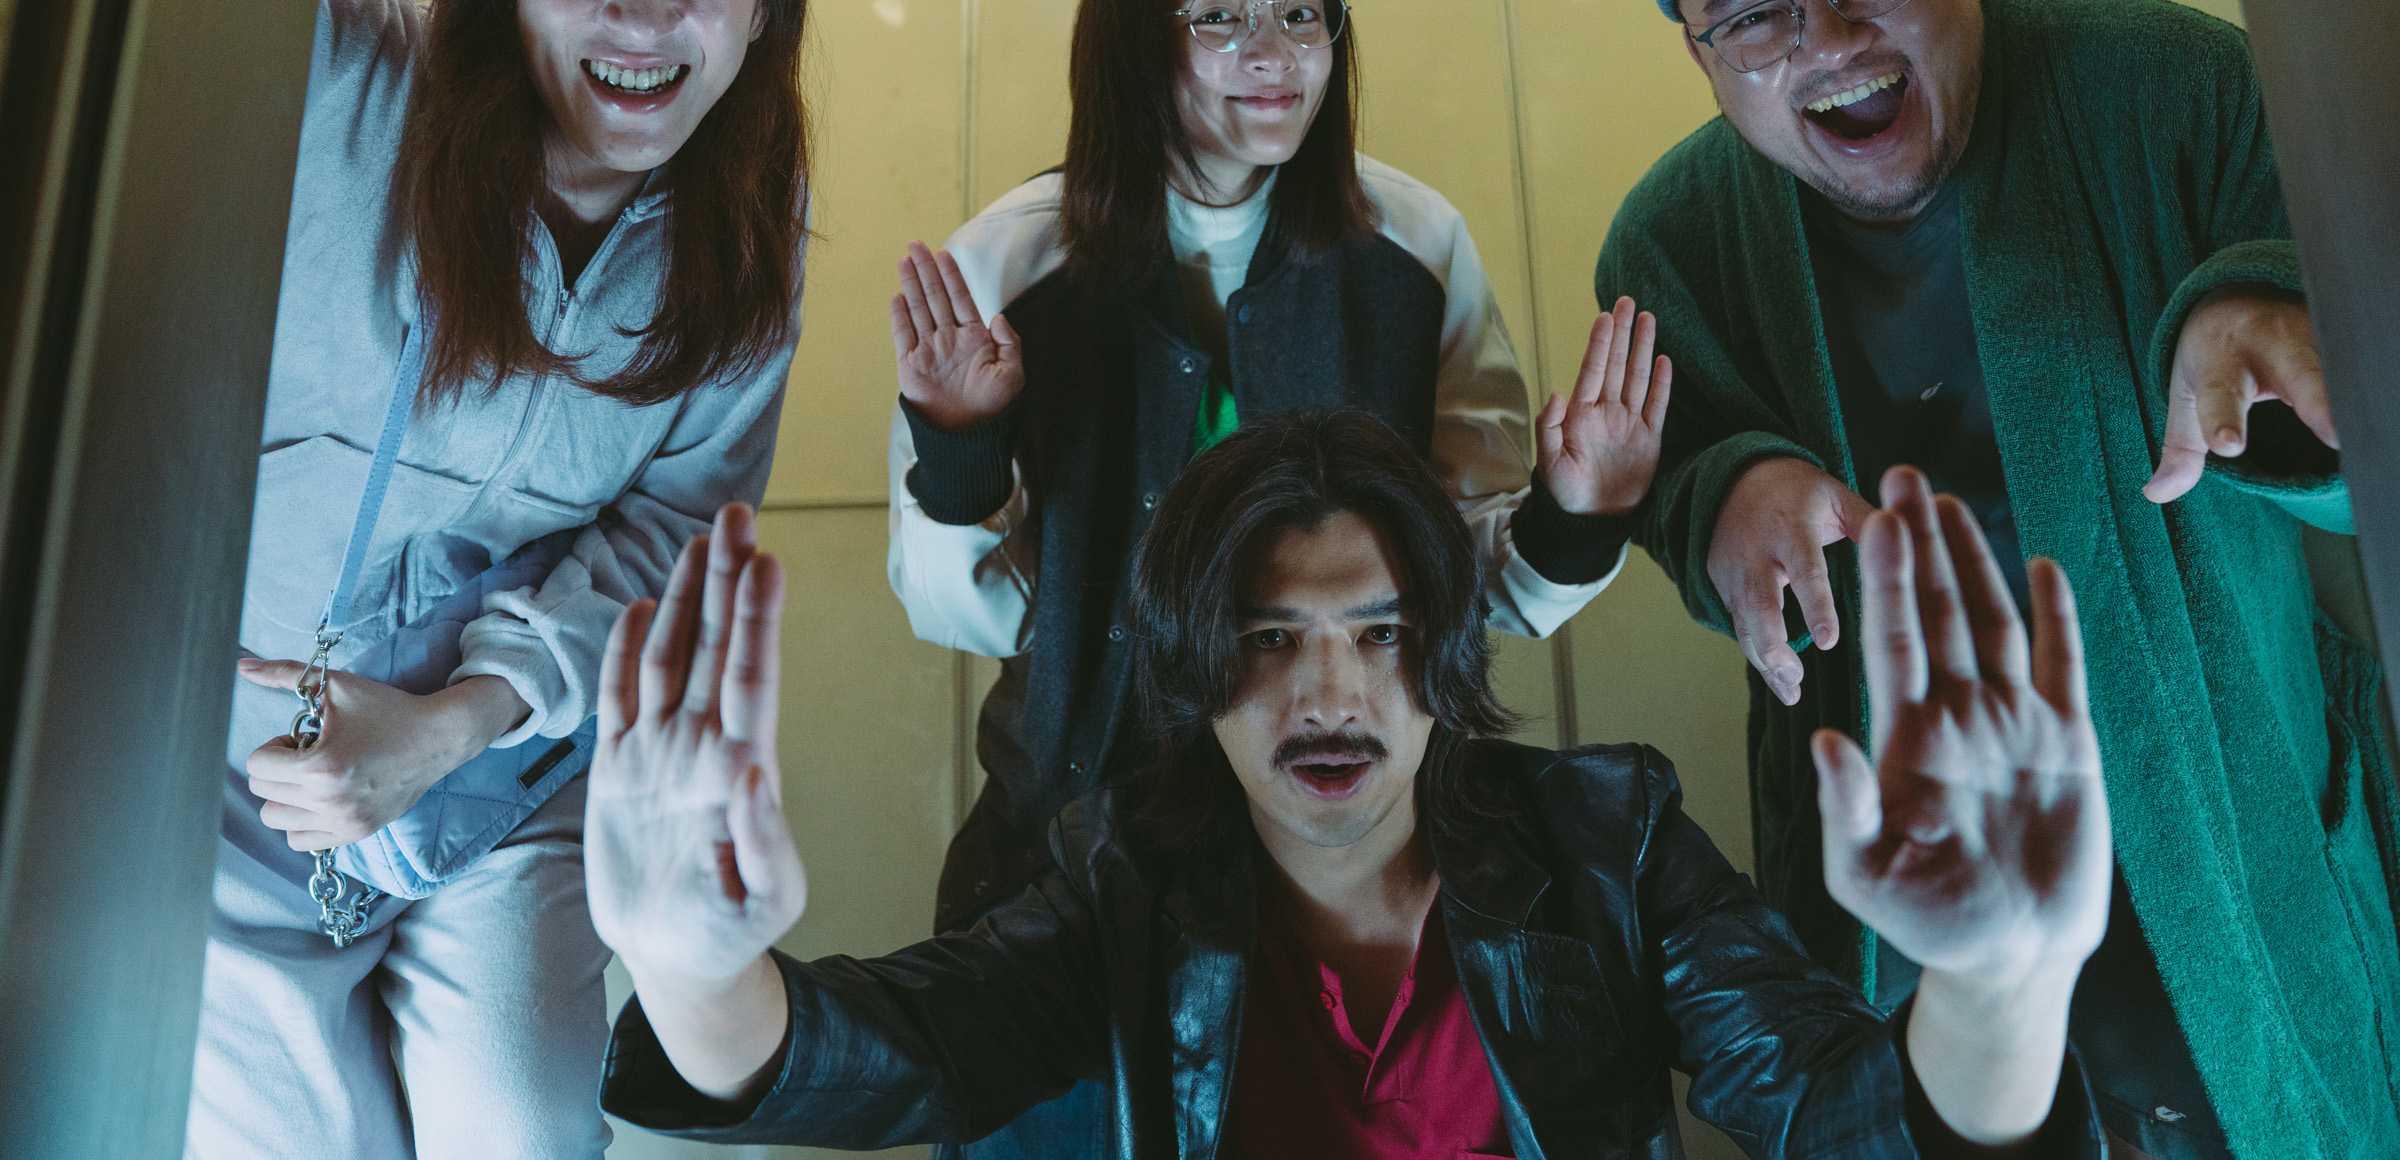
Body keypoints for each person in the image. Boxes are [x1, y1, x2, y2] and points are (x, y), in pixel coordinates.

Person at [585, 409, 2113, 1156]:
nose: (1330, 692)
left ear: (1446, 649)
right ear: (1197, 669)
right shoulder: (1128, 877)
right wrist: (689, 968)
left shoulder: (1611, 841)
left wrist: (2003, 985)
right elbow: (902, 1050)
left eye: (1383, 634)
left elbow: (1837, 1115)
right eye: (1269, 638)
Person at [1595, 0, 2400, 1159]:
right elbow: (1665, 485)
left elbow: (2360, 457)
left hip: (2230, 813)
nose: (1826, 37)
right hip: (1919, 876)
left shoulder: (2178, 83)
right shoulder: (1669, 238)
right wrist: (1727, 494)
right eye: (1753, 18)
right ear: (1704, 60)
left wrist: (2266, 316)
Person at [195, 0, 810, 1160]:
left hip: (504, 762)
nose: (644, 11)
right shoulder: (339, 76)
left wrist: (459, 720)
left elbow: (673, 532)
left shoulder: (747, 231)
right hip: (233, 773)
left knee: (522, 1133)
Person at [887, 0, 1657, 945]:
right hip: (1070, 839)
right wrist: (959, 446)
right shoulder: (1008, 266)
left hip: (1354, 841)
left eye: (1302, 13)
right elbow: (967, 616)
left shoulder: (1416, 244)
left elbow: (1471, 589)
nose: (1274, 50)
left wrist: (1580, 515)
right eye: (1221, 15)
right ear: (1133, 43)